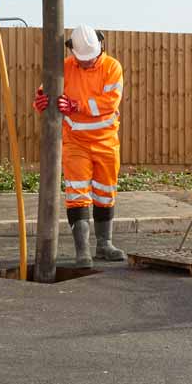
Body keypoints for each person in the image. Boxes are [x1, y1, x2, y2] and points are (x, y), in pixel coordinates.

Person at [33, 24, 125, 267]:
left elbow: (109, 102)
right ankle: (82, 251)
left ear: (100, 46)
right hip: (75, 143)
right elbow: (45, 92)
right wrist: (41, 100)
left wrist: (77, 106)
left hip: (106, 142)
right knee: (77, 195)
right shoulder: (64, 68)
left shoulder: (112, 67)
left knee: (105, 194)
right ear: (72, 51)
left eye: (91, 58)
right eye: (82, 58)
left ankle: (104, 245)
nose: (86, 62)